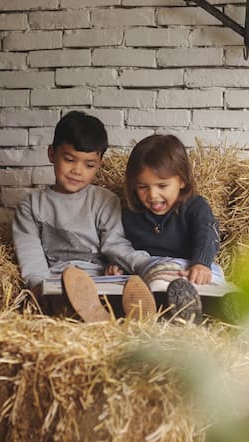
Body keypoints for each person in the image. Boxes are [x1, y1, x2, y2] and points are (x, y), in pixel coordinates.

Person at [11, 110, 156, 322]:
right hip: (58, 282)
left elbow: (115, 244)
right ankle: (93, 316)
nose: (77, 171)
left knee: (124, 285)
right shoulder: (31, 206)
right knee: (60, 300)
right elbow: (31, 256)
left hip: (99, 279)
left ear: (99, 164)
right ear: (52, 154)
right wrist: (38, 287)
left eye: (89, 165)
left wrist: (143, 265)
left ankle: (133, 318)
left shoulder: (104, 200)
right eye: (69, 159)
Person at [121, 134, 226, 324]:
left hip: (192, 270)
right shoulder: (131, 215)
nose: (153, 195)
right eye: (143, 186)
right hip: (156, 274)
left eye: (162, 185)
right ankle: (172, 316)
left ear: (182, 181)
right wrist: (118, 265)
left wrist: (201, 263)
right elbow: (124, 247)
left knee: (216, 285)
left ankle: (219, 313)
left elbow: (207, 234)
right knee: (150, 285)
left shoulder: (195, 206)